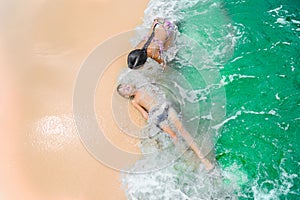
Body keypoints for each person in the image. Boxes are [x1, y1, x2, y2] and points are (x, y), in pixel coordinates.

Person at [116, 83, 215, 171]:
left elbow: (159, 92)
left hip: (164, 107)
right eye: (124, 90)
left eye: (125, 85)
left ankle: (203, 159)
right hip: (157, 116)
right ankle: (188, 158)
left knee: (182, 130)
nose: (126, 87)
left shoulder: (144, 86)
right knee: (174, 136)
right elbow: (145, 114)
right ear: (127, 96)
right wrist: (152, 124)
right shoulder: (134, 101)